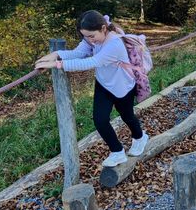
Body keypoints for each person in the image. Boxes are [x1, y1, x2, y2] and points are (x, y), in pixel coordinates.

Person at [35, 10, 149, 168]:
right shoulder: (93, 38)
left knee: (127, 116)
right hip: (103, 84)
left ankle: (140, 137)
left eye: (91, 36)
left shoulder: (115, 43)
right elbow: (79, 53)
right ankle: (117, 152)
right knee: (100, 120)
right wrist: (56, 54)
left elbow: (91, 62)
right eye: (86, 36)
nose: (90, 40)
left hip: (122, 85)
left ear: (103, 28)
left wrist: (56, 64)